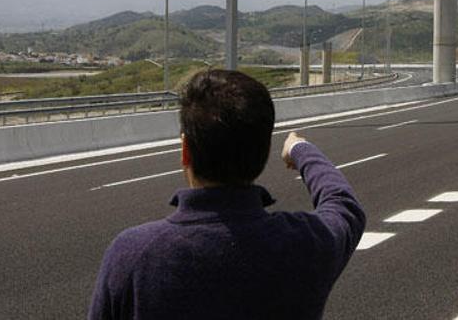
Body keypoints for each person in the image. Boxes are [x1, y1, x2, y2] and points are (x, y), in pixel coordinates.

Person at [88, 69, 366, 319]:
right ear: (264, 151)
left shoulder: (133, 255)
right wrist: (300, 149)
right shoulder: (305, 244)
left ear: (186, 151)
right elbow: (343, 205)